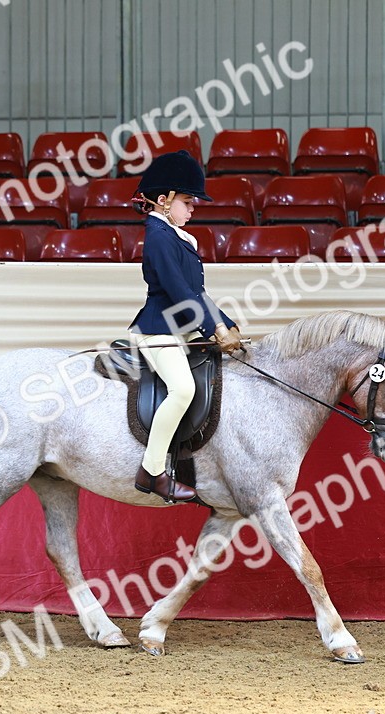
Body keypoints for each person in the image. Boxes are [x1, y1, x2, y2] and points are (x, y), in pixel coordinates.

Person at [128, 150, 243, 502]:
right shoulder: (158, 236)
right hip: (157, 330)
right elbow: (178, 292)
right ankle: (152, 471)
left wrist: (227, 325)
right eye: (188, 202)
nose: (193, 209)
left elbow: (197, 293)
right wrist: (213, 330)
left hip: (181, 330)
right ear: (164, 200)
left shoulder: (178, 236)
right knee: (182, 389)